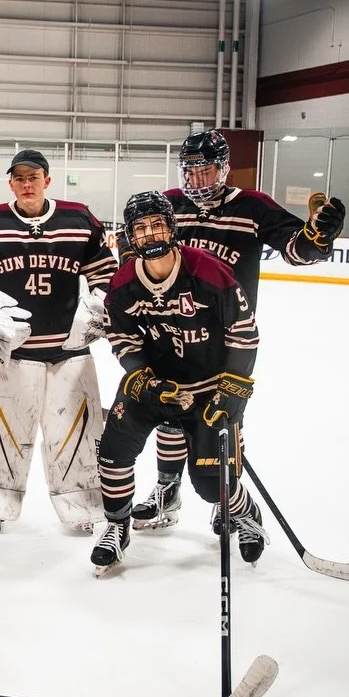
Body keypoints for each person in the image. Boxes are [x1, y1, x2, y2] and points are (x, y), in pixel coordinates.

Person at [131, 130, 344, 531]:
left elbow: (297, 249)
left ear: (224, 169)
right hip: (170, 332)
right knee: (170, 416)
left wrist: (318, 236)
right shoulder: (169, 205)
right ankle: (167, 491)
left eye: (206, 171)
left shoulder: (252, 206)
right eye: (190, 171)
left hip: (227, 338)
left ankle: (226, 498)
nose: (197, 180)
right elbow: (138, 256)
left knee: (224, 417)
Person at [91, 191, 264, 574]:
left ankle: (247, 513)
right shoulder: (123, 282)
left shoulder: (208, 271)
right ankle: (117, 526)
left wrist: (234, 389)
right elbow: (121, 337)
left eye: (157, 225)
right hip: (155, 385)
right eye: (141, 228)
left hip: (208, 389)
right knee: (113, 452)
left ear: (172, 228)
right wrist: (142, 378)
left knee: (211, 484)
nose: (150, 234)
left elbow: (243, 332)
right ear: (130, 236)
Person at [0, 149, 118, 532]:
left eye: (34, 177)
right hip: (12, 354)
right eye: (20, 178)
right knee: (2, 433)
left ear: (47, 180)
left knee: (76, 433)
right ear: (10, 184)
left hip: (68, 351)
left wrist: (95, 308)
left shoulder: (78, 218)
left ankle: (83, 507)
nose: (27, 184)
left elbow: (107, 274)